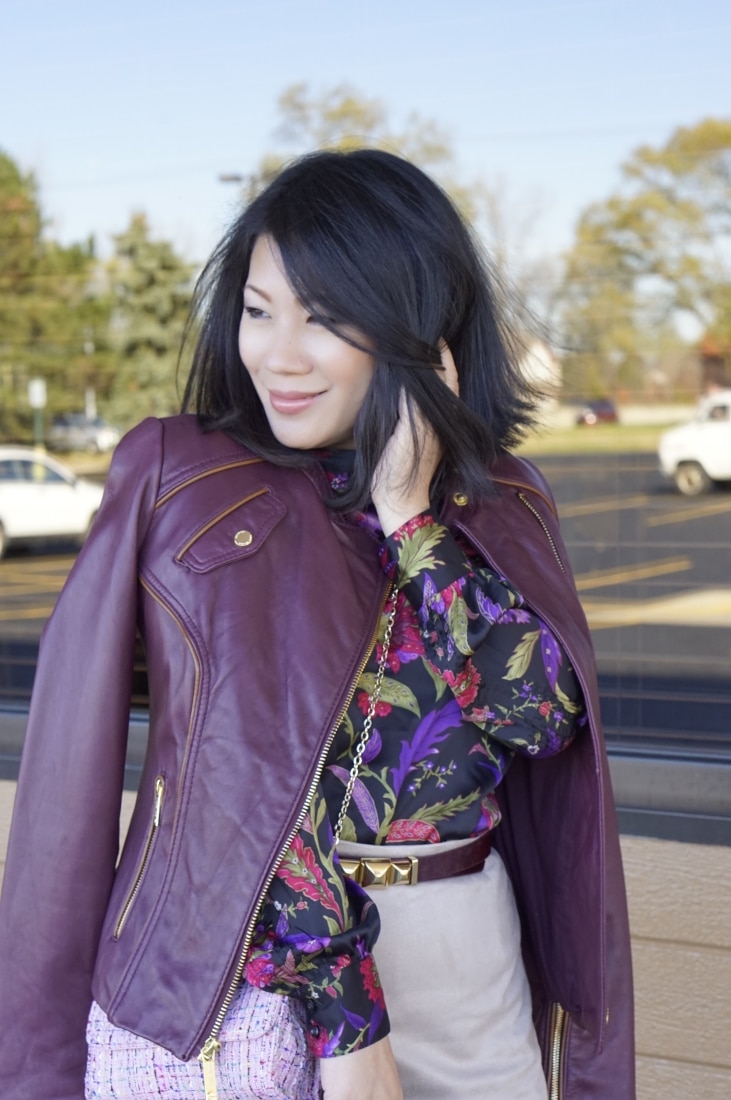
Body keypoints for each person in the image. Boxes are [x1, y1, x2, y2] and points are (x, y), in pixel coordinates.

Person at [0, 149, 634, 1100]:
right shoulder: (178, 477)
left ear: (416, 328)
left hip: (465, 951)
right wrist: (344, 1011)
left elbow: (538, 719)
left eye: (325, 319)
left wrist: (411, 516)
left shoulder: (503, 498)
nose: (278, 354)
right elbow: (175, 782)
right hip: (245, 968)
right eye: (259, 310)